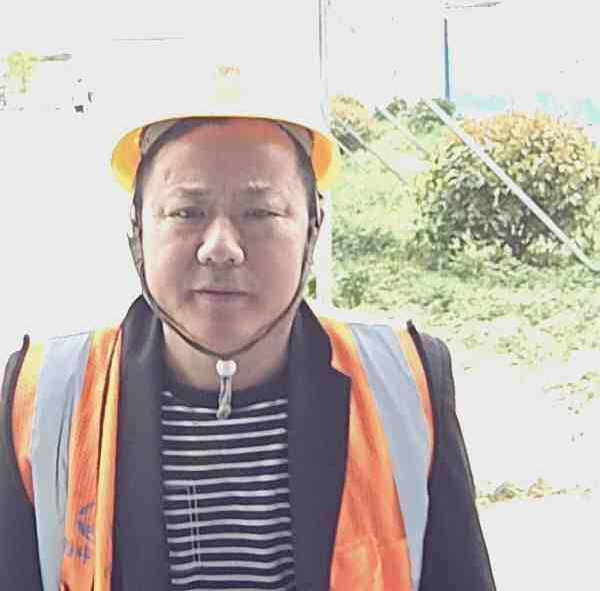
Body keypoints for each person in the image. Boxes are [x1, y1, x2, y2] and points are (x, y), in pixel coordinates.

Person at [0, 63, 496, 590]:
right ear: (138, 228)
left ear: (313, 228)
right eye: (187, 212)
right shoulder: (44, 397)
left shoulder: (407, 384)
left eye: (260, 213)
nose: (221, 248)